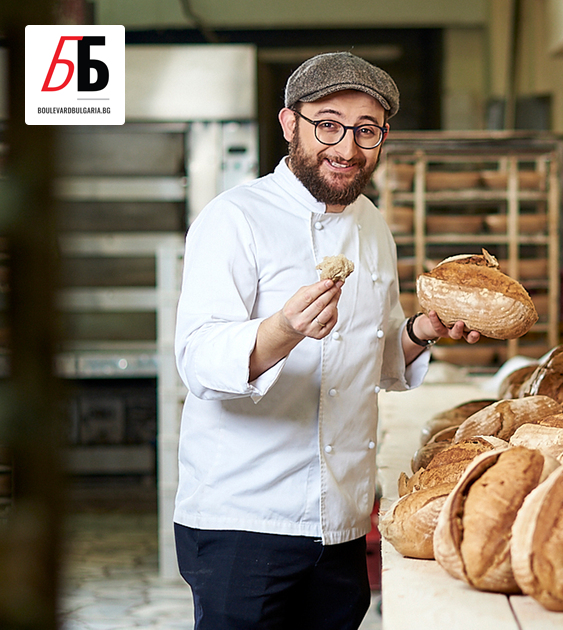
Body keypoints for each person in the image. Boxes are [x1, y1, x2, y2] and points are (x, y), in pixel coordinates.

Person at [172, 52, 479, 630]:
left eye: (367, 131)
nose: (347, 148)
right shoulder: (234, 218)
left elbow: (371, 356)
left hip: (340, 520)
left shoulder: (372, 224)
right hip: (245, 520)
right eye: (328, 124)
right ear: (291, 125)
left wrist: (420, 331)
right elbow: (198, 361)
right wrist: (283, 330)